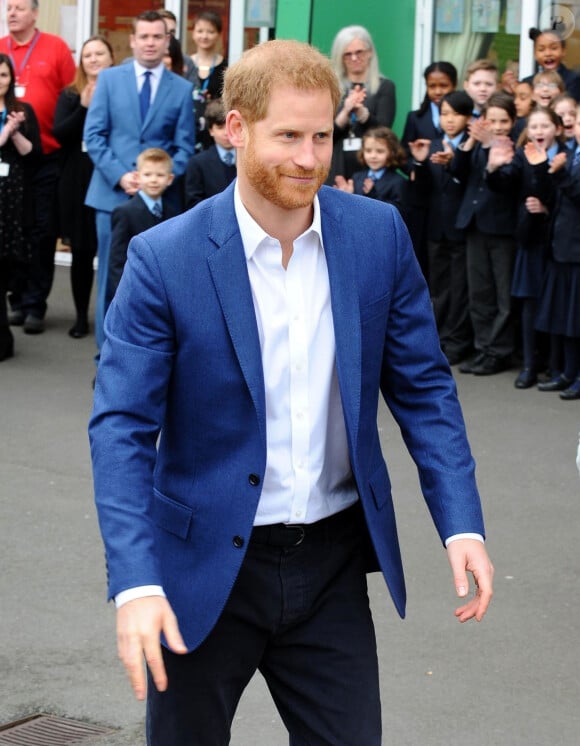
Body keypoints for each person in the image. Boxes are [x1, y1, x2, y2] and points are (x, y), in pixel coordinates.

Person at [89, 39, 493, 746]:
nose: (310, 159)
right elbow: (120, 427)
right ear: (235, 129)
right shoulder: (166, 259)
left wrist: (461, 522)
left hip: (331, 564)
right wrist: (135, 583)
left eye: (322, 136)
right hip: (204, 568)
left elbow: (425, 388)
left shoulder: (376, 236)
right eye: (287, 136)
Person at [83, 9, 195, 364]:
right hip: (112, 195)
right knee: (110, 275)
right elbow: (94, 135)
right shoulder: (109, 80)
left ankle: (151, 349)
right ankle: (109, 352)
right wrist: (121, 175)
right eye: (143, 36)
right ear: (132, 41)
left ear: (167, 41)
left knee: (158, 276)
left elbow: (185, 147)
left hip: (161, 202)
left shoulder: (182, 88)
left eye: (156, 36)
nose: (149, 43)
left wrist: (157, 181)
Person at [0, 0, 75, 334]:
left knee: (41, 232)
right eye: (7, 7)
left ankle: (35, 304)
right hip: (7, 162)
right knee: (10, 231)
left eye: (18, 7)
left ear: (34, 12)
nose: (11, 13)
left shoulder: (55, 48)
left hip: (44, 157)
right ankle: (15, 300)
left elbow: (70, 97)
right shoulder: (0, 48)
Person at [486, 107, 566, 389]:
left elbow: (564, 193)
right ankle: (530, 365)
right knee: (529, 304)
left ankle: (556, 367)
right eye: (534, 127)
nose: (539, 132)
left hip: (558, 243)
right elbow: (503, 184)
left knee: (557, 304)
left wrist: (546, 207)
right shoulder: (523, 154)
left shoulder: (565, 155)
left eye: (545, 126)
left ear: (557, 128)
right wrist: (493, 168)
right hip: (529, 240)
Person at [451, 91, 519, 375]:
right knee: (480, 293)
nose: (498, 125)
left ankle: (499, 351)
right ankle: (482, 348)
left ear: (513, 122)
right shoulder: (479, 144)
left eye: (504, 120)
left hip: (502, 230)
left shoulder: (517, 148)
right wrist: (470, 141)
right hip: (475, 225)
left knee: (502, 295)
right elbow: (458, 172)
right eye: (492, 120)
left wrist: (493, 152)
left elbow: (506, 183)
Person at [53, 35, 114, 340]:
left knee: (112, 252)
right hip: (77, 179)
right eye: (87, 55)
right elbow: (59, 134)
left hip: (109, 177)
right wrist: (83, 107)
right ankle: (80, 316)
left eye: (99, 53)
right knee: (81, 251)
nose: (93, 59)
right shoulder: (69, 94)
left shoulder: (119, 91)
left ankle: (113, 316)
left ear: (111, 58)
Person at [408, 90, 474, 366]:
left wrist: (456, 161)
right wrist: (420, 162)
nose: (449, 120)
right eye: (445, 113)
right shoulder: (432, 144)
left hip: (462, 227)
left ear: (468, 117)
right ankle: (439, 340)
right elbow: (422, 190)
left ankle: (458, 342)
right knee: (438, 287)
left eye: (456, 114)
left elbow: (469, 178)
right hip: (436, 227)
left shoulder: (472, 146)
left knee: (460, 288)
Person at [534, 104, 580, 400]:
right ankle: (566, 372)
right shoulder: (572, 153)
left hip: (577, 252)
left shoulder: (567, 161)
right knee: (566, 317)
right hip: (563, 247)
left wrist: (558, 173)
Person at [0, 53, 40, 360]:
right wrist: (6, 132)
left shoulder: (22, 110)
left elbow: (31, 153)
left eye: (3, 75)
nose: (0, 81)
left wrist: (15, 133)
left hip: (13, 195)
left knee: (9, 258)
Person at [327, 25, 396, 183]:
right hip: (336, 163)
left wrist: (362, 113)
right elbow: (324, 133)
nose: (354, 58)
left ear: (370, 52)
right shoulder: (331, 88)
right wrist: (345, 112)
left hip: (371, 167)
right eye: (347, 54)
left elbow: (384, 131)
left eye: (359, 52)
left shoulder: (385, 86)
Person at [108, 148, 176, 300]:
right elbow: (117, 261)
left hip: (163, 293)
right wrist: (122, 295)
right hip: (134, 290)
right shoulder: (124, 212)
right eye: (147, 174)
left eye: (160, 175)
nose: (153, 180)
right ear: (137, 177)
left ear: (170, 179)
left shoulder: (173, 213)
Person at [333, 126, 409, 218]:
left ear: (392, 153)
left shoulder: (398, 181)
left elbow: (398, 212)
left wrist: (373, 194)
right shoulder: (357, 177)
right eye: (368, 151)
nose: (373, 156)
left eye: (380, 151)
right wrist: (348, 196)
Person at [186, 11, 227, 151]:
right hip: (188, 127)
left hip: (215, 130)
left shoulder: (226, 68)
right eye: (200, 31)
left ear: (219, 35)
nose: (204, 36)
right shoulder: (185, 65)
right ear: (193, 33)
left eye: (210, 31)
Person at [184, 98, 236, 208]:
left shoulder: (249, 158)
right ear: (211, 130)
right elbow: (193, 202)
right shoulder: (197, 164)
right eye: (220, 127)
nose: (226, 133)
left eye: (229, 126)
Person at [524, 27, 580, 102]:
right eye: (541, 49)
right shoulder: (528, 82)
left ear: (563, 51)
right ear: (535, 54)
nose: (548, 54)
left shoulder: (574, 80)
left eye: (554, 48)